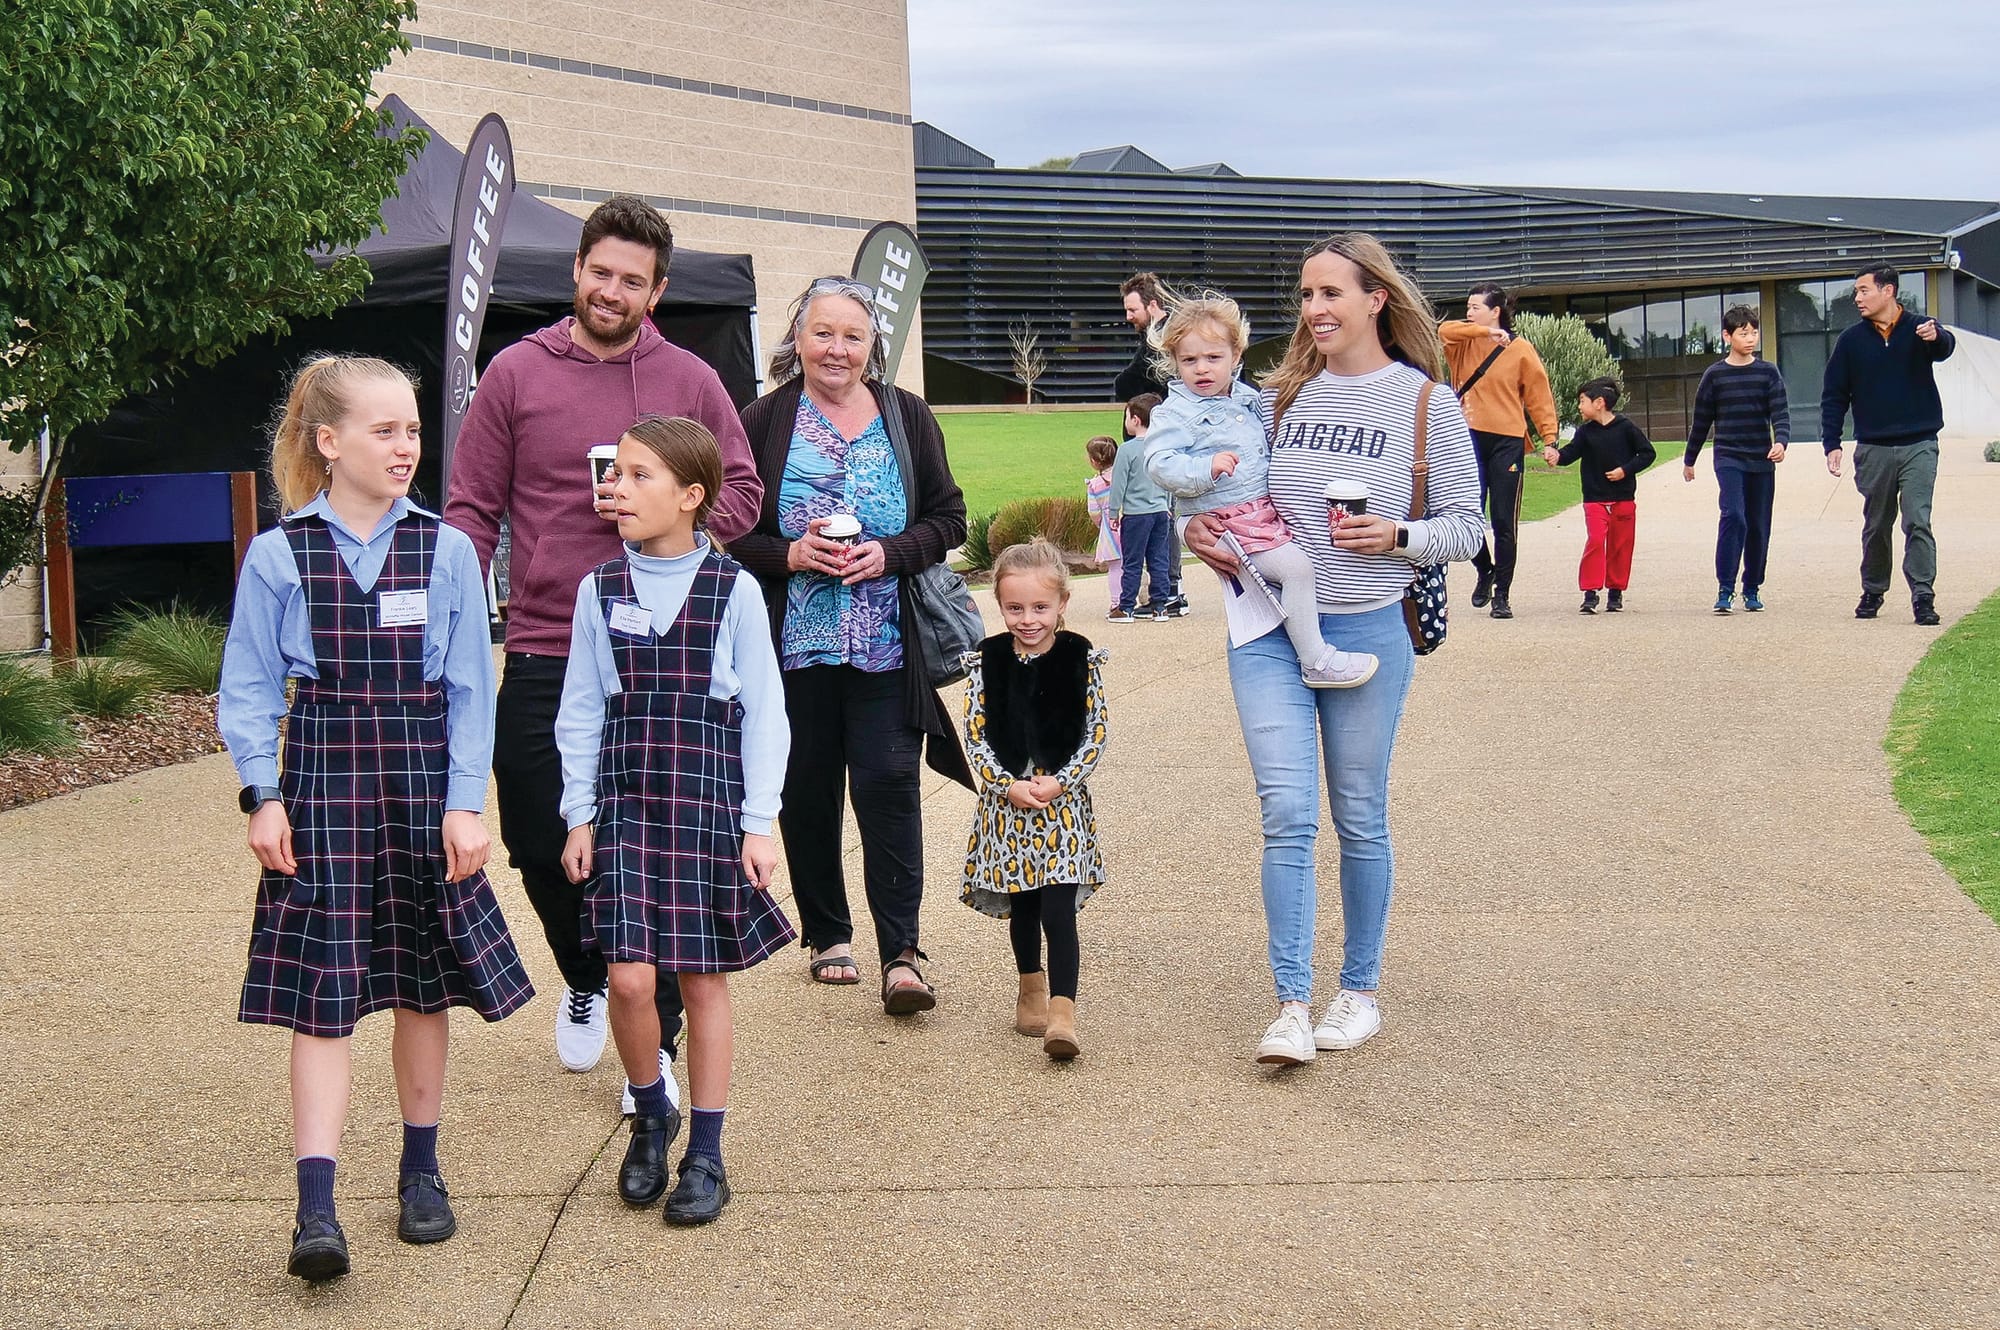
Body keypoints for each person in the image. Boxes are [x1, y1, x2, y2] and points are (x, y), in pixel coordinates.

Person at [444, 195, 762, 1117]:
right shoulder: (514, 373)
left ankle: (652, 1042)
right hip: (547, 640)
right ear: (575, 270)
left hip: (664, 651)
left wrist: (682, 529)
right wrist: (454, 593)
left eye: (633, 279)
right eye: (600, 271)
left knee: (653, 848)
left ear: (657, 291)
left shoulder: (692, 380)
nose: (611, 290)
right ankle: (587, 972)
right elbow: (472, 506)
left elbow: (738, 487)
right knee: (543, 835)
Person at [219, 355, 534, 1281]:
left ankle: (420, 1170)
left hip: (419, 781)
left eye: (413, 431)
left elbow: (472, 691)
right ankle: (315, 1209)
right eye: (385, 431)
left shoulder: (445, 552)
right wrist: (261, 794)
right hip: (320, 782)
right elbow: (245, 692)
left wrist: (464, 805)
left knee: (419, 979)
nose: (406, 449)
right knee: (322, 995)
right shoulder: (280, 555)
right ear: (329, 443)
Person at [1182, 234, 1482, 1066]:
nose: (1314, 309)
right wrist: (1192, 527)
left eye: (1331, 293)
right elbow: (1214, 488)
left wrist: (1397, 535)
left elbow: (1469, 526)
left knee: (1358, 814)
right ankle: (1290, 1004)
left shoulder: (1425, 404)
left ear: (1376, 299)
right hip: (1267, 628)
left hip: (1369, 628)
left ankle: (1358, 991)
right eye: (1306, 295)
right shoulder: (1276, 399)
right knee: (1287, 813)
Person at [556, 416, 792, 1226]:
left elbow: (766, 712)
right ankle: (653, 1112)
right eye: (614, 472)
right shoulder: (598, 590)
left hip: (706, 805)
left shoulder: (735, 590)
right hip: (623, 805)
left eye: (637, 475)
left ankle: (708, 1153)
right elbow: (580, 710)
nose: (615, 487)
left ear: (692, 496)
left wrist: (759, 822)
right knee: (627, 976)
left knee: (701, 978)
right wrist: (577, 814)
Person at [732, 275, 973, 1013]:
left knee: (889, 788)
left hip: (887, 649)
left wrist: (892, 552)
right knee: (805, 792)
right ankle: (827, 934)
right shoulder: (763, 419)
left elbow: (950, 517)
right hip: (791, 650)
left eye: (853, 336)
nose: (837, 349)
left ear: (873, 347)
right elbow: (728, 528)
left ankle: (902, 951)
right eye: (823, 333)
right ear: (797, 340)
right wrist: (790, 556)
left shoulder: (906, 416)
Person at [1144, 290, 1376, 686]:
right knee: (1297, 570)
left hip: (1261, 514)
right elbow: (1158, 462)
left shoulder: (1250, 400)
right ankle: (1315, 659)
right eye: (1189, 360)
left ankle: (1299, 643)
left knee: (1294, 572)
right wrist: (1204, 468)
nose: (1202, 369)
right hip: (1230, 523)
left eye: (1213, 357)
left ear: (1236, 357)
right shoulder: (1176, 412)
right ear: (1175, 363)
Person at [957, 539, 1109, 1061]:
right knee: (1023, 904)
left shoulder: (1079, 657)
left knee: (1058, 906)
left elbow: (1096, 731)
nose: (1028, 619)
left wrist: (1063, 780)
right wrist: (1005, 784)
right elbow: (974, 735)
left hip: (1062, 807)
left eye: (1040, 608)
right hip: (1008, 808)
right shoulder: (986, 662)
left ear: (1063, 603)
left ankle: (1063, 1012)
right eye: (1015, 608)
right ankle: (1030, 986)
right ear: (999, 606)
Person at [1820, 264, 1957, 625]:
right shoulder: (1850, 341)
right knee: (1877, 523)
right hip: (1874, 447)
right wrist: (1831, 442)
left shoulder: (1920, 328)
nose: (1857, 298)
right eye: (1856, 292)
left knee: (1917, 520)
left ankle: (1923, 597)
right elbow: (1834, 395)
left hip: (1919, 443)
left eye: (1864, 290)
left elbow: (1945, 347)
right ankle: (1874, 589)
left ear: (1888, 291)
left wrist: (1936, 337)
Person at [1439, 282, 1559, 619]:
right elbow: (1442, 329)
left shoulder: (1521, 350)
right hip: (1467, 437)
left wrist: (1550, 439)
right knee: (1468, 516)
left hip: (1507, 439)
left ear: (1497, 311)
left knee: (1505, 521)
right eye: (1468, 306)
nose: (1469, 312)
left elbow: (1539, 396)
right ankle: (1485, 569)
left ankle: (1502, 593)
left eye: (1476, 307)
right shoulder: (1461, 341)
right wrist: (1483, 331)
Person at [1684, 306, 1790, 613]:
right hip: (1729, 456)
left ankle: (1752, 587)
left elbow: (1780, 412)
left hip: (1761, 458)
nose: (1751, 338)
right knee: (1734, 515)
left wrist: (1781, 442)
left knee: (1758, 525)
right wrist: (1689, 459)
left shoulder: (1768, 372)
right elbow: (1701, 421)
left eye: (1754, 332)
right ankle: (1725, 587)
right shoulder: (1715, 375)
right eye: (1744, 333)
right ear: (1727, 336)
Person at [1542, 377, 1655, 614]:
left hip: (1623, 498)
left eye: (1582, 401)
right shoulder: (1585, 432)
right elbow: (1570, 453)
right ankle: (1590, 593)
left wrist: (1625, 470)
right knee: (1595, 540)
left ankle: (1616, 592)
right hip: (1595, 499)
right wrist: (1556, 457)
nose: (1579, 406)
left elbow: (1647, 453)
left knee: (1620, 546)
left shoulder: (1626, 427)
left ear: (1599, 403)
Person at [1115, 275, 1189, 616]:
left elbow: (1134, 379)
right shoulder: (1153, 338)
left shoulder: (1163, 340)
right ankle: (1167, 590)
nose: (1128, 316)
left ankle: (1170, 592)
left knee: (1166, 516)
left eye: (1133, 309)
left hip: (1164, 441)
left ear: (1152, 305)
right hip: (1155, 439)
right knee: (1165, 516)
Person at [1106, 399, 1175, 623]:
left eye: (1127, 417)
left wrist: (1114, 511)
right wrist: (1167, 504)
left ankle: (1126, 607)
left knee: (1133, 561)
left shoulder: (1127, 450)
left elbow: (1119, 484)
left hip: (1136, 514)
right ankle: (1160, 606)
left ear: (1135, 420)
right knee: (1158, 559)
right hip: (1160, 511)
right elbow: (1167, 478)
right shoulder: (1162, 447)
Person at [1084, 435, 1122, 589]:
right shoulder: (1124, 475)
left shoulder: (1095, 484)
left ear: (1094, 461)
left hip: (1110, 528)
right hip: (1131, 521)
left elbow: (1093, 512)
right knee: (1133, 565)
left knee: (1115, 568)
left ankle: (1117, 603)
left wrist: (1101, 524)